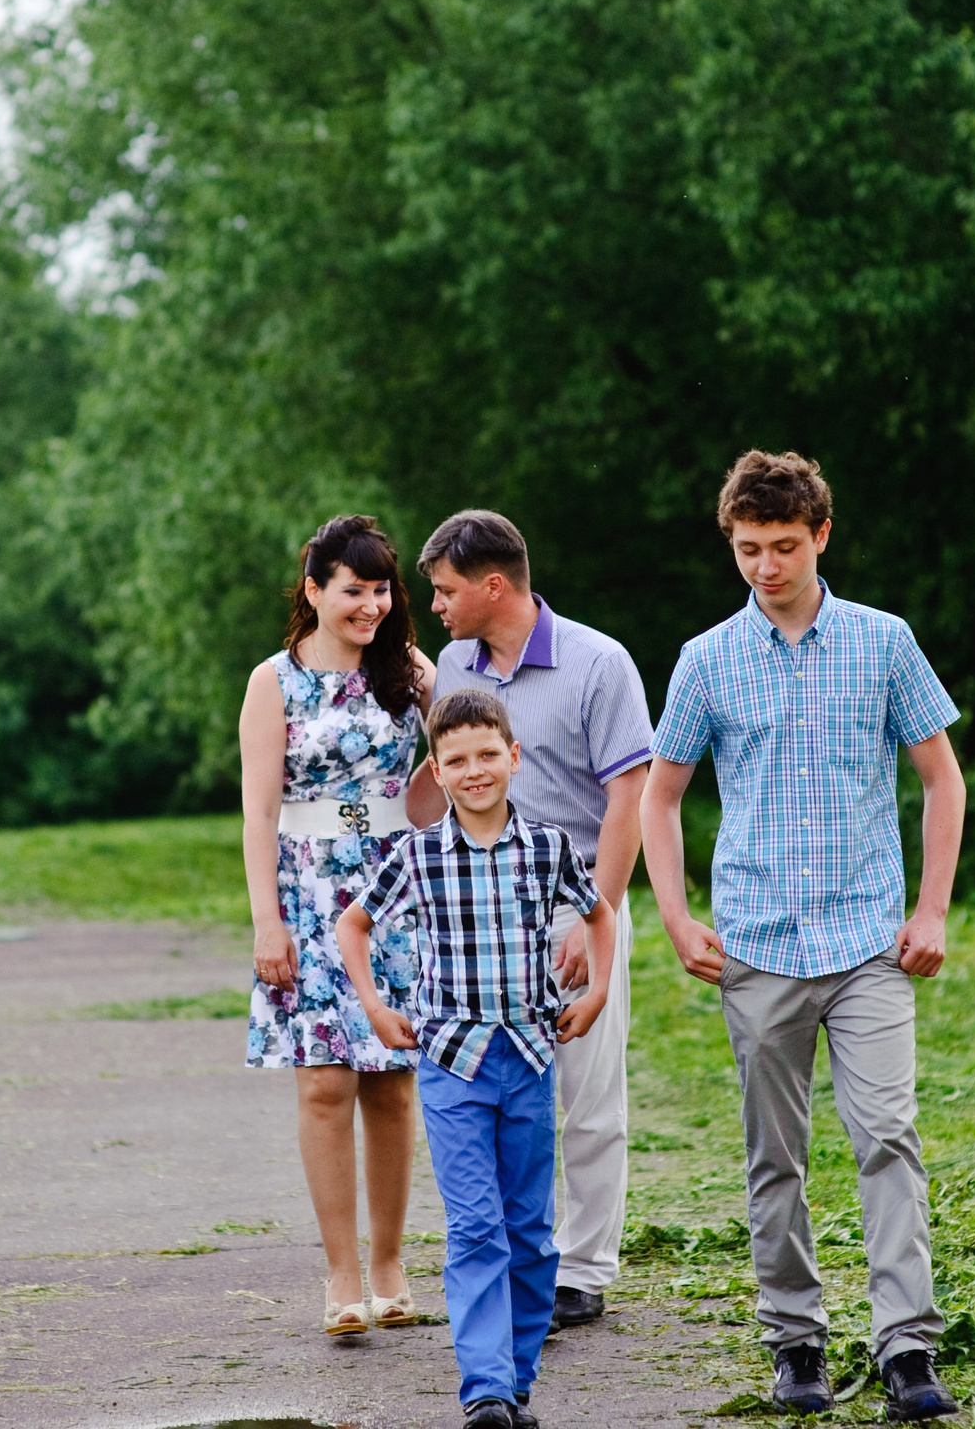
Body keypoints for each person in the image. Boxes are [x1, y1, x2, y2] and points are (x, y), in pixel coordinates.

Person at [638, 451, 967, 1421]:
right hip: (757, 946)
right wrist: (675, 915)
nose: (765, 566)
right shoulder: (706, 659)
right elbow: (660, 797)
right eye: (748, 549)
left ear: (821, 534)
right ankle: (795, 1343)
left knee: (886, 1137)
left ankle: (906, 1348)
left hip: (868, 942)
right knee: (774, 1157)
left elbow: (942, 779)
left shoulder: (883, 642)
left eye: (783, 546)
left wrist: (932, 909)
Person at [338, 690, 617, 1429]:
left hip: (529, 1057)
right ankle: (485, 1389)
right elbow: (353, 925)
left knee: (528, 1230)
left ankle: (516, 1384)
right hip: (451, 1064)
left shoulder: (549, 847)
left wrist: (595, 992)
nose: (475, 771)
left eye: (488, 754)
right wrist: (376, 1007)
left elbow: (600, 915)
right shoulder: (418, 854)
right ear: (437, 769)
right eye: (456, 760)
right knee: (475, 1228)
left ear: (513, 757)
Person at [418, 509, 652, 1330]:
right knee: (497, 1098)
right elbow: (444, 779)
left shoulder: (599, 662)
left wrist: (598, 917)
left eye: (445, 590)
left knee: (586, 1097)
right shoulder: (455, 667)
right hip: (478, 915)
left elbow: (630, 797)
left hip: (574, 903)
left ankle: (580, 1272)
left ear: (493, 585)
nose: (436, 605)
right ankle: (514, 1262)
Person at [239, 514, 441, 1336]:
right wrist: (267, 921)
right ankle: (342, 1274)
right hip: (308, 890)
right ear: (314, 589)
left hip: (394, 888)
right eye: (354, 590)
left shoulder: (410, 672)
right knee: (324, 1082)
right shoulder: (274, 681)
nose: (371, 606)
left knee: (392, 1082)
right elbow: (258, 814)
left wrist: (439, 734)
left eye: (382, 591)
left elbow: (437, 788)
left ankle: (390, 1263)